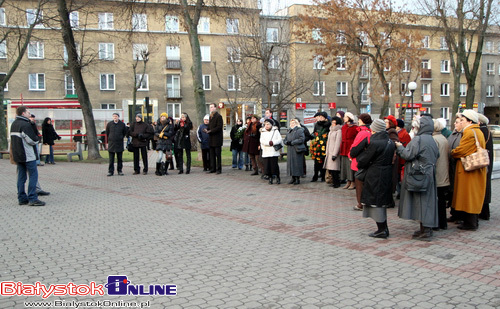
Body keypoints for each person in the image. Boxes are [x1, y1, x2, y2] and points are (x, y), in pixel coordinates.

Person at [396, 115, 439, 241]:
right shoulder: (432, 139)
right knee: (428, 202)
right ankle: (426, 229)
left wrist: (399, 147)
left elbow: (407, 155)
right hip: (429, 173)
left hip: (418, 175)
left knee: (421, 202)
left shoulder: (418, 139)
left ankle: (425, 230)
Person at [356, 119, 395, 238]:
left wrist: (359, 160)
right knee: (380, 201)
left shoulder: (376, 142)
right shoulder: (389, 141)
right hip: (386, 173)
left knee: (376, 202)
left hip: (375, 174)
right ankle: (384, 228)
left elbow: (364, 159)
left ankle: (382, 229)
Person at [450, 110, 487, 231]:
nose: (460, 122)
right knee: (472, 195)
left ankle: (470, 223)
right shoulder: (477, 131)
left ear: (470, 121)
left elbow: (461, 150)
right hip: (475, 169)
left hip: (469, 169)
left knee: (469, 195)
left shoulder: (470, 132)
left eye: (463, 120)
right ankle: (471, 221)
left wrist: (452, 152)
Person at [11, 106, 45, 206]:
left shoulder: (14, 124)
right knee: (33, 175)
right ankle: (32, 198)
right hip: (27, 155)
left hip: (18, 155)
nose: (29, 114)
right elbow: (32, 140)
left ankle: (21, 198)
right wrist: (38, 139)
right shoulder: (25, 125)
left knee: (21, 177)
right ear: (23, 113)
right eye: (28, 112)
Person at [349, 113, 372, 211]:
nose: (358, 121)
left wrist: (350, 154)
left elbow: (356, 147)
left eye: (359, 119)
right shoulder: (369, 131)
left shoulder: (363, 132)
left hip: (359, 161)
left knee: (359, 184)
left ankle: (360, 204)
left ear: (362, 121)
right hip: (364, 160)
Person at [432, 119, 450, 230]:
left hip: (437, 173)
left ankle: (437, 223)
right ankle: (443, 223)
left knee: (437, 199)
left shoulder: (434, 140)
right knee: (442, 200)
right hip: (444, 173)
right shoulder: (443, 138)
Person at [447, 115, 464, 222]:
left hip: (459, 166)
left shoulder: (464, 135)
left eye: (457, 122)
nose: (455, 124)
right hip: (451, 167)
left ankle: (460, 215)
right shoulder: (453, 134)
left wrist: (453, 153)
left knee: (459, 191)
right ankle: (454, 213)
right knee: (452, 191)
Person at [29, 114, 50, 196]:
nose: (33, 119)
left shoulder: (32, 124)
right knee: (28, 174)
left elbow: (36, 134)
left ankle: (36, 189)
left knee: (29, 173)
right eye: (31, 117)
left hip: (28, 153)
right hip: (26, 154)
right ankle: (30, 193)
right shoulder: (25, 125)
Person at [477, 113, 493, 221]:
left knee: (483, 186)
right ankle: (485, 212)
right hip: (488, 161)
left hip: (482, 162)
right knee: (486, 186)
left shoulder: (482, 131)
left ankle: (483, 212)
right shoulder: (487, 131)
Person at [260, 119, 283, 184]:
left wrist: (273, 142)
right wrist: (268, 143)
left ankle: (277, 177)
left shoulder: (275, 131)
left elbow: (279, 139)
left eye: (268, 124)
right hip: (266, 151)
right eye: (265, 124)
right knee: (267, 166)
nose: (266, 126)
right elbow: (262, 141)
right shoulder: (263, 132)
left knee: (274, 165)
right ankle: (270, 177)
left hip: (273, 151)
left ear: (271, 125)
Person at [283, 118, 306, 185]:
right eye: (291, 123)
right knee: (291, 164)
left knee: (297, 164)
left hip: (297, 149)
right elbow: (285, 139)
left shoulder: (299, 130)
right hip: (290, 149)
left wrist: (292, 142)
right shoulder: (289, 131)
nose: (292, 124)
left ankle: (297, 178)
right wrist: (286, 142)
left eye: (293, 123)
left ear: (296, 123)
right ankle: (293, 177)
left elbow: (302, 139)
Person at [310, 111, 331, 182]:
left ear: (325, 118)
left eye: (322, 117)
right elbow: (314, 132)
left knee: (323, 161)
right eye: (320, 117)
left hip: (324, 144)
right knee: (316, 162)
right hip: (317, 144)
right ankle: (315, 175)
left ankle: (323, 175)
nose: (321, 118)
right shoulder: (317, 124)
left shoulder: (328, 125)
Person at [339, 112, 358, 189]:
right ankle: (348, 181)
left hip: (350, 147)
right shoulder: (344, 127)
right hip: (344, 147)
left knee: (351, 165)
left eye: (345, 117)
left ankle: (353, 181)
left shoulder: (355, 128)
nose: (344, 118)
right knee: (345, 166)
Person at [323, 116, 343, 188]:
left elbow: (338, 143)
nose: (333, 124)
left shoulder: (339, 131)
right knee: (331, 169)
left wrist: (334, 154)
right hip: (329, 151)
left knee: (335, 169)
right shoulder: (331, 130)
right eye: (332, 122)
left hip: (334, 152)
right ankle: (333, 181)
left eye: (334, 122)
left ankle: (337, 182)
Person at [396, 119, 411, 199]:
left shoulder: (405, 135)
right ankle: (399, 191)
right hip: (399, 158)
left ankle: (401, 192)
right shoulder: (400, 134)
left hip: (402, 159)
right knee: (398, 177)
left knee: (400, 177)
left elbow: (407, 148)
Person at [206, 103, 224, 174]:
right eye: (210, 107)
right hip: (211, 139)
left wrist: (211, 130)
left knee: (218, 155)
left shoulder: (218, 116)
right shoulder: (211, 116)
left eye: (212, 107)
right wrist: (206, 129)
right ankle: (212, 168)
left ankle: (219, 169)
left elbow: (219, 127)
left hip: (217, 139)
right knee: (212, 155)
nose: (211, 108)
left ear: (215, 108)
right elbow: (210, 126)